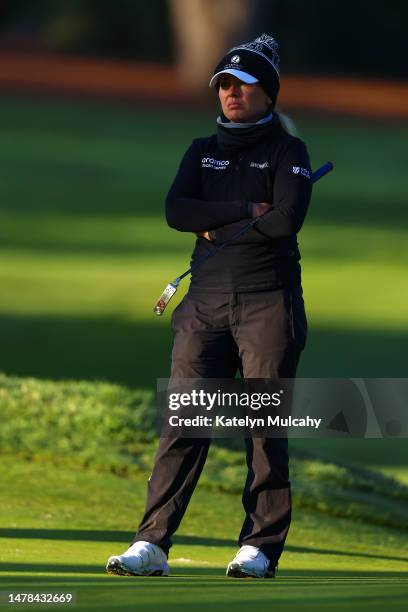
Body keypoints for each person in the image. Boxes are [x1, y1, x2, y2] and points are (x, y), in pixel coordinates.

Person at [106, 33, 312, 579]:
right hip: (204, 305)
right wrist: (247, 208)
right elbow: (176, 209)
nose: (230, 94)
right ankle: (151, 544)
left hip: (268, 304)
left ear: (266, 94)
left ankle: (260, 547)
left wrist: (215, 219)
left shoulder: (288, 151)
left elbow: (286, 220)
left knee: (262, 427)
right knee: (183, 421)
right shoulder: (202, 150)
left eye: (242, 85)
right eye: (223, 84)